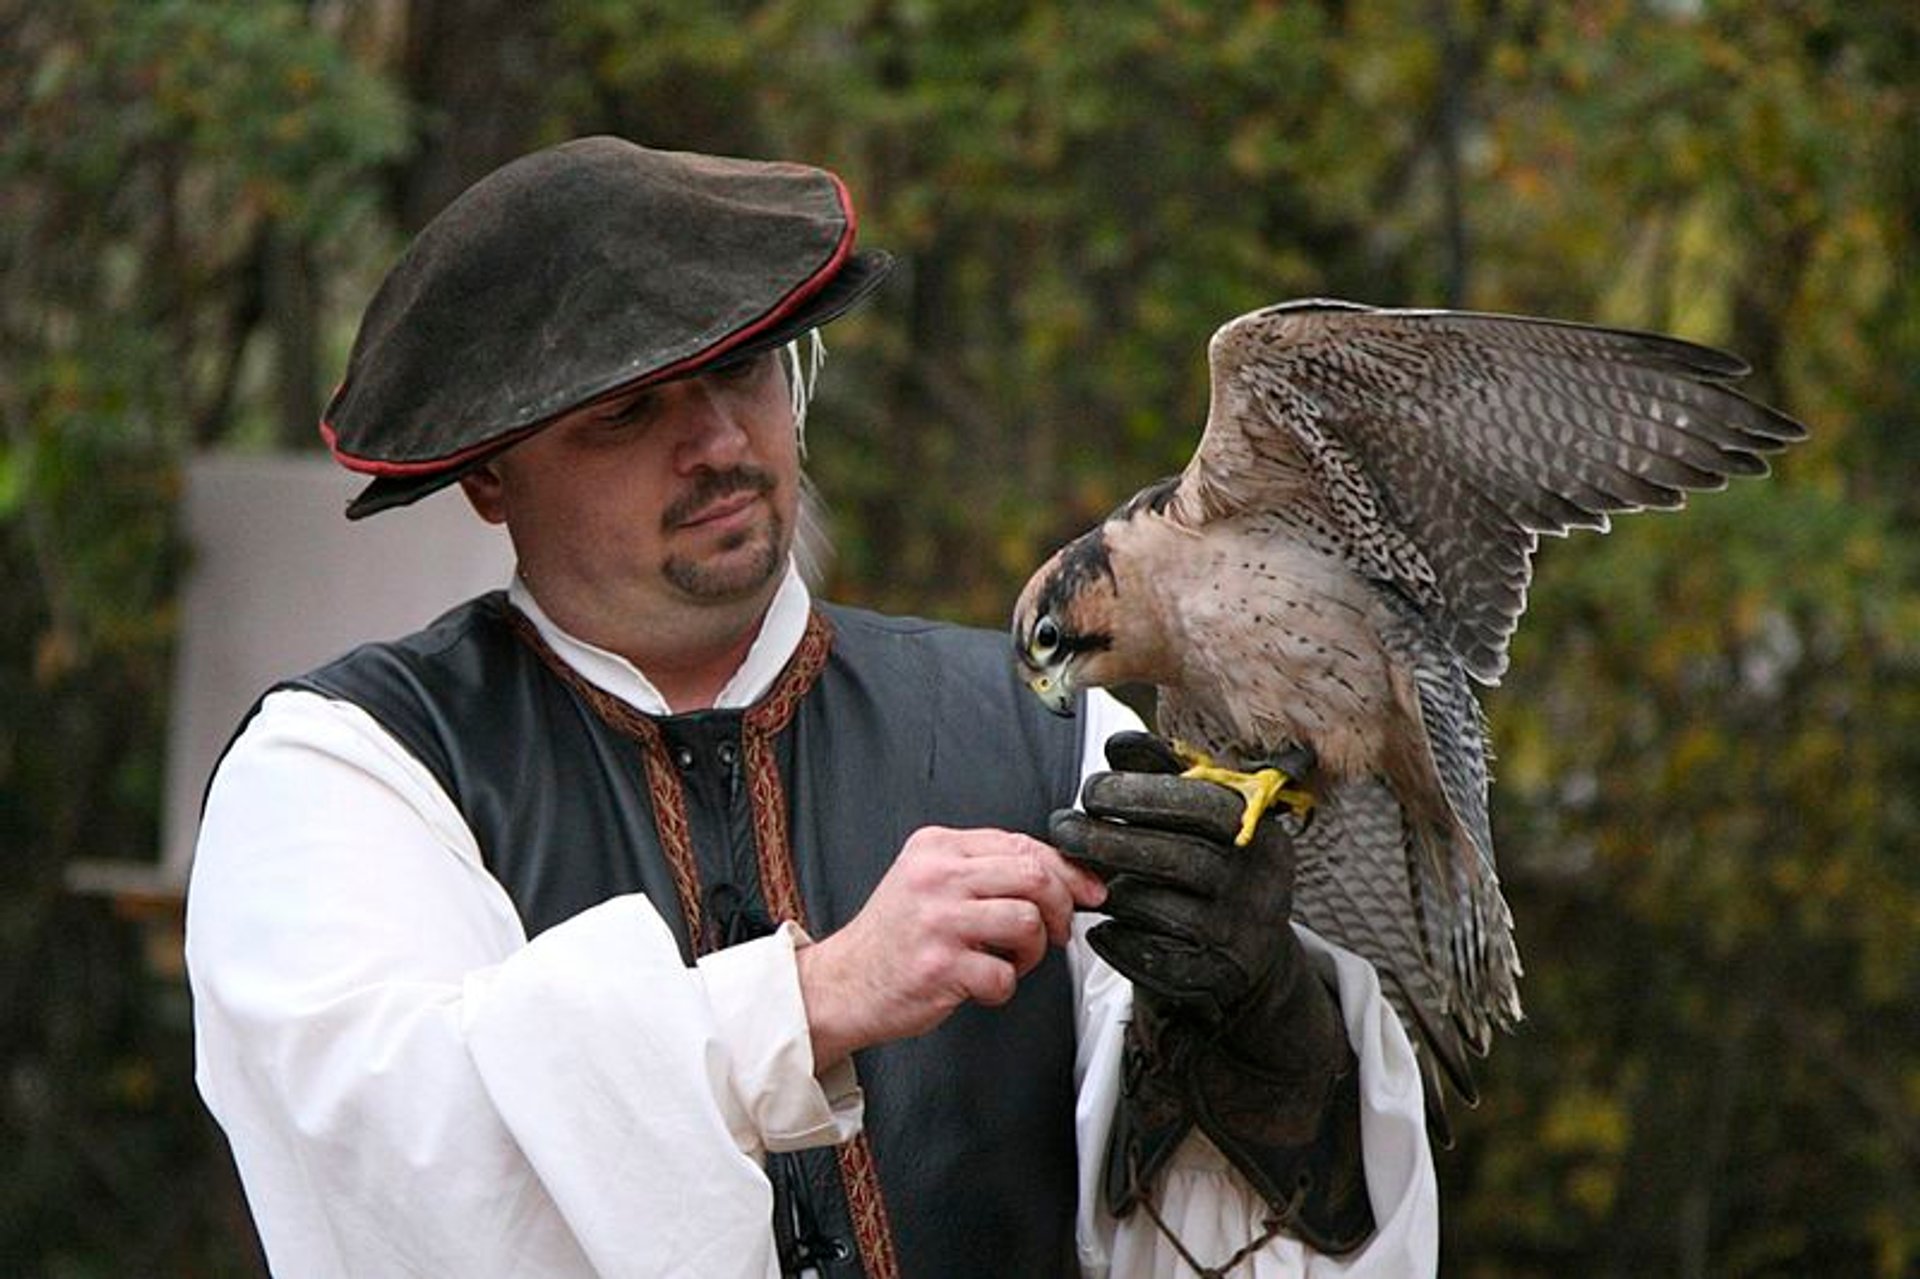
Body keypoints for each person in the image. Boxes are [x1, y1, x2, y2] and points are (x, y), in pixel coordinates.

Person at [185, 136, 1437, 1278]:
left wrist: (1267, 1034)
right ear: (491, 483)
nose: (719, 441)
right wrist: (811, 999)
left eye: (742, 371)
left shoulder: (1054, 733)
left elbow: (1228, 1240)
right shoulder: (349, 772)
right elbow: (393, 1157)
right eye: (629, 411)